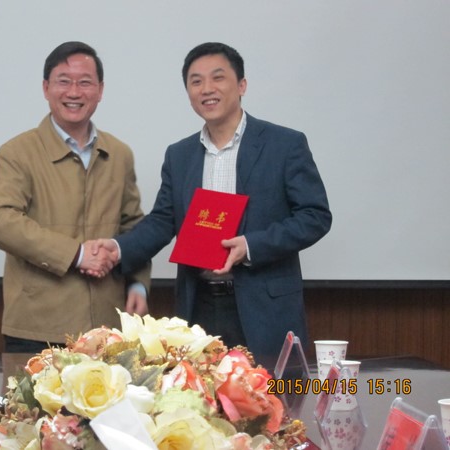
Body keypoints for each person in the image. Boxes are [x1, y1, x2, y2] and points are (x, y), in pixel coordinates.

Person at [90, 42, 331, 359]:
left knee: (270, 390)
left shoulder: (284, 144)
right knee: (199, 390)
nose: (207, 89)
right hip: (199, 306)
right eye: (196, 81)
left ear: (242, 85)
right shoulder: (180, 155)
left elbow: (315, 216)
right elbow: (163, 221)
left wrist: (251, 246)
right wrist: (119, 248)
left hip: (264, 308)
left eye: (218, 78)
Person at [0, 41, 150, 357]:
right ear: (46, 88)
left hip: (108, 329)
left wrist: (138, 284)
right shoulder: (17, 152)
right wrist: (77, 254)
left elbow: (134, 227)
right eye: (64, 81)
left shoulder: (119, 154)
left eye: (85, 82)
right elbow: (0, 221)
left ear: (100, 90)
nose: (74, 92)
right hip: (37, 328)